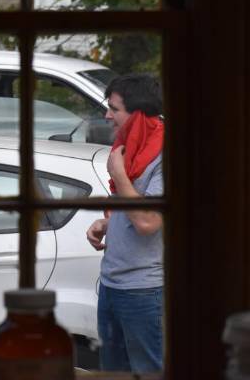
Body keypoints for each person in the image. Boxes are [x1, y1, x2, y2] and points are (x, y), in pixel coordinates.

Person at [86, 74, 164, 373]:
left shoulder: (162, 156)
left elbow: (148, 221)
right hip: (111, 284)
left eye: (114, 109)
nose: (107, 115)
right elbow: (133, 207)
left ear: (138, 113)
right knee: (113, 372)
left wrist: (119, 175)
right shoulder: (131, 146)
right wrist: (106, 225)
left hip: (142, 291)